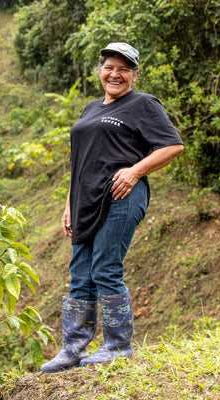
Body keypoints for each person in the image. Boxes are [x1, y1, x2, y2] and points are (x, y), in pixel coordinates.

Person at [40, 42, 184, 373]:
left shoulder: (143, 105)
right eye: (109, 67)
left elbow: (173, 145)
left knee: (106, 268)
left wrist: (135, 171)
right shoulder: (89, 109)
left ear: (134, 74)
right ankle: (73, 349)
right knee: (80, 274)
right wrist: (68, 206)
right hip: (84, 201)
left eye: (123, 69)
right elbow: (80, 163)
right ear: (100, 72)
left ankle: (118, 345)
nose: (115, 74)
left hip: (121, 196)